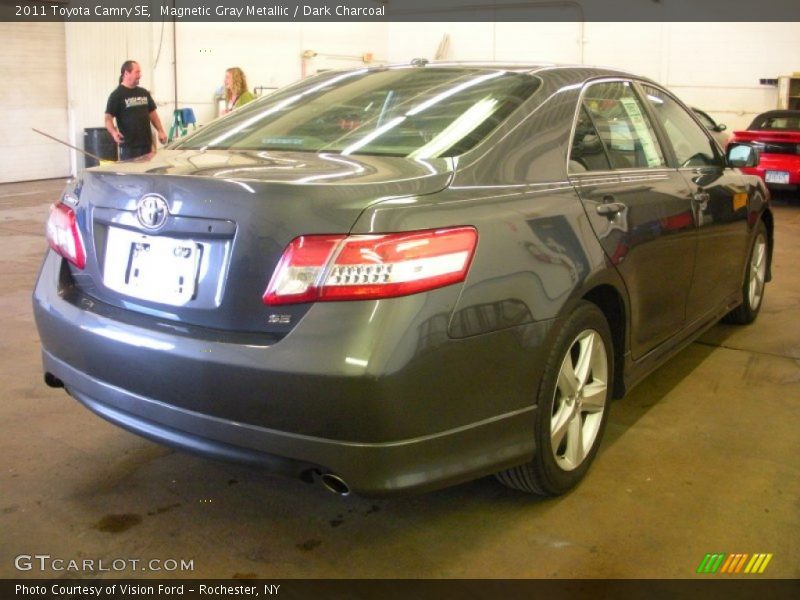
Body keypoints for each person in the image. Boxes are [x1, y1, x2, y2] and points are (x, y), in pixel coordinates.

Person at [105, 60, 168, 160]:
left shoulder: (144, 93)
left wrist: (160, 131)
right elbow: (108, 118)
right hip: (129, 148)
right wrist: (113, 132)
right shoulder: (117, 95)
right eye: (137, 72)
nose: (140, 75)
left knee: (148, 174)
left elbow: (152, 113)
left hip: (147, 146)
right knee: (133, 175)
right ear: (126, 73)